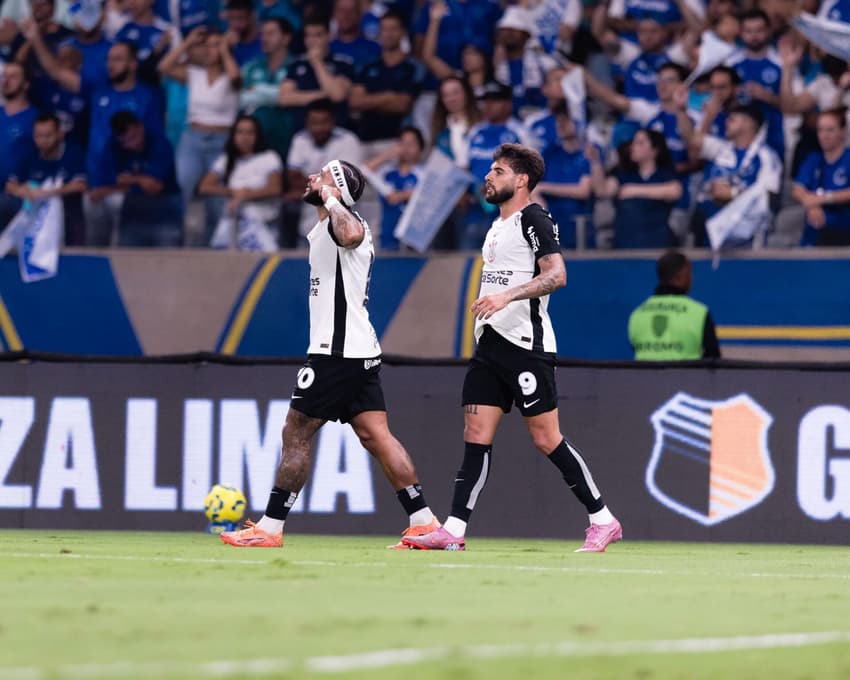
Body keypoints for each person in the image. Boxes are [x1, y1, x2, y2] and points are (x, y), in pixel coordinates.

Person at [402, 143, 622, 553]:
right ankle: (453, 530)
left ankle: (603, 520)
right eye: (490, 170)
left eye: (498, 171)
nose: (489, 176)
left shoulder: (534, 217)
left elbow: (557, 275)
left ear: (521, 180)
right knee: (475, 433)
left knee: (546, 438)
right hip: (489, 344)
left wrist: (507, 297)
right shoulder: (497, 226)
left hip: (526, 346)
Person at [220, 158, 440, 549]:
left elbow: (352, 233)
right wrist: (331, 200)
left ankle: (270, 527)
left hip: (336, 353)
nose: (311, 178)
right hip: (358, 349)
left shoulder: (344, 223)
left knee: (295, 431)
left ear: (336, 187)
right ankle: (424, 522)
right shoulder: (326, 226)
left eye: (321, 175)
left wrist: (334, 199)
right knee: (377, 436)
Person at [198, 115, 283, 249]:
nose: (245, 138)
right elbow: (204, 186)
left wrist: (246, 195)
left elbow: (276, 188)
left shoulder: (269, 157)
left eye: (250, 132)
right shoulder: (226, 160)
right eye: (240, 132)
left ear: (257, 135)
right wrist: (232, 192)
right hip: (234, 223)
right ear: (233, 136)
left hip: (264, 222)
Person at [591, 128, 682, 249]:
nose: (633, 147)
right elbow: (602, 191)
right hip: (625, 244)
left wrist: (635, 190)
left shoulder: (665, 175)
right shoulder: (623, 175)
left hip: (658, 244)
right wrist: (595, 162)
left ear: (654, 150)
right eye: (633, 143)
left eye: (640, 143)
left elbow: (675, 191)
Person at [5, 112, 87, 245]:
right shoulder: (29, 153)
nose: (43, 140)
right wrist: (21, 190)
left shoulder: (72, 152)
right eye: (38, 136)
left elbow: (81, 184)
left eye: (48, 135)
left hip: (65, 212)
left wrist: (48, 192)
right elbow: (10, 185)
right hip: (33, 212)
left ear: (60, 134)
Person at [628, 250, 721, 360]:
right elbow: (714, 361)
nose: (691, 279)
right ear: (679, 276)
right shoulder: (699, 313)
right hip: (686, 377)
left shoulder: (637, 314)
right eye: (689, 273)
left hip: (644, 377)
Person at [791, 108, 850, 246]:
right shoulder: (813, 159)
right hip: (814, 233)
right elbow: (797, 189)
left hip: (844, 231)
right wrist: (811, 204)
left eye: (830, 130)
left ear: (843, 131)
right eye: (820, 130)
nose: (824, 135)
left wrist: (823, 199)